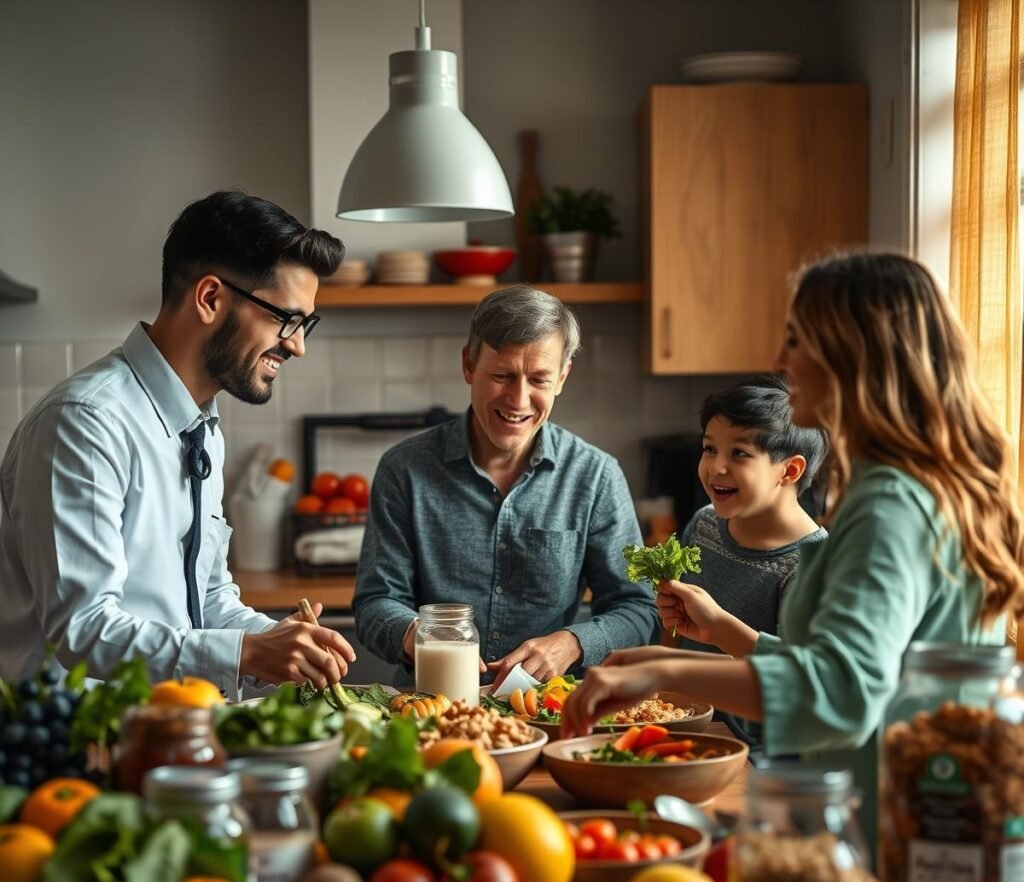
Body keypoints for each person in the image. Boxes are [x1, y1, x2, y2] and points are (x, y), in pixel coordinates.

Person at [563, 252, 1024, 845]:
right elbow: (849, 670)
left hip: (903, 829)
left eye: (796, 339)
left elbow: (841, 692)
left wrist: (659, 674)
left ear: (850, 354)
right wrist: (665, 663)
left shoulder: (889, 503)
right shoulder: (913, 484)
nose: (781, 361)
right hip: (923, 820)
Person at [0, 190, 355, 698]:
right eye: (286, 318)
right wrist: (248, 653)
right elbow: (84, 630)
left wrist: (279, 640)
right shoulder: (85, 424)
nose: (297, 345)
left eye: (305, 324)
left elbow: (206, 597)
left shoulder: (201, 427)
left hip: (170, 730)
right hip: (79, 751)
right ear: (210, 298)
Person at [353, 284, 660, 688]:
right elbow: (375, 602)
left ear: (562, 378)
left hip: (549, 708)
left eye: (538, 379)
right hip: (430, 703)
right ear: (468, 366)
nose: (518, 399)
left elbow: (638, 607)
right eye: (502, 375)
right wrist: (421, 637)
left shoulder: (596, 476)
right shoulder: (404, 469)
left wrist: (572, 643)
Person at [664, 374, 828, 745]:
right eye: (709, 449)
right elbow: (671, 630)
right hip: (677, 724)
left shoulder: (813, 563)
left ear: (790, 470)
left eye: (739, 453)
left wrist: (721, 626)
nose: (716, 467)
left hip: (751, 750)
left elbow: (797, 682)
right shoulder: (704, 522)